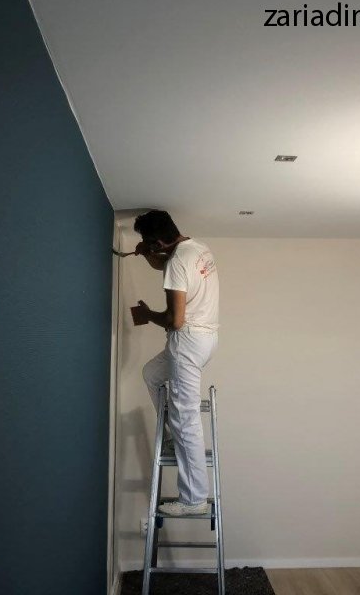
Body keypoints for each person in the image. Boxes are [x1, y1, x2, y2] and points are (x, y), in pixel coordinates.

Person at [131, 210, 219, 516]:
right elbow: (166, 263)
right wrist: (147, 255)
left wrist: (147, 315)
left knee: (187, 419)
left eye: (149, 244)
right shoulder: (197, 249)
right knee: (151, 374)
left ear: (158, 242)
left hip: (187, 342)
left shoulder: (177, 261)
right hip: (206, 339)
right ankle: (169, 440)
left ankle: (193, 499)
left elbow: (175, 320)